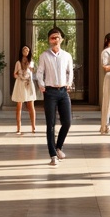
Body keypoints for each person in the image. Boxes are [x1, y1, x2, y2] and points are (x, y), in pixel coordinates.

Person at [34, 26, 75, 166]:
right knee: (50, 125)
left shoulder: (67, 56)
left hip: (63, 92)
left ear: (61, 39)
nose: (55, 40)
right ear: (49, 40)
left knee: (67, 122)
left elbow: (70, 72)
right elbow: (39, 72)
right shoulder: (44, 56)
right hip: (50, 92)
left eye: (57, 37)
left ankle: (58, 147)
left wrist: (69, 83)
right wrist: (41, 84)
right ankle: (53, 155)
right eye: (52, 38)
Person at [12, 44, 37, 134]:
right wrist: (18, 75)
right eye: (24, 50)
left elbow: (33, 72)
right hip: (20, 84)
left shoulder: (31, 62)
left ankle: (33, 127)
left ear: (29, 52)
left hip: (29, 84)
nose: (26, 52)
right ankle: (19, 128)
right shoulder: (18, 62)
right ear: (21, 52)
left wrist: (30, 68)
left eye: (27, 51)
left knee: (31, 106)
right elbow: (14, 74)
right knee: (19, 106)